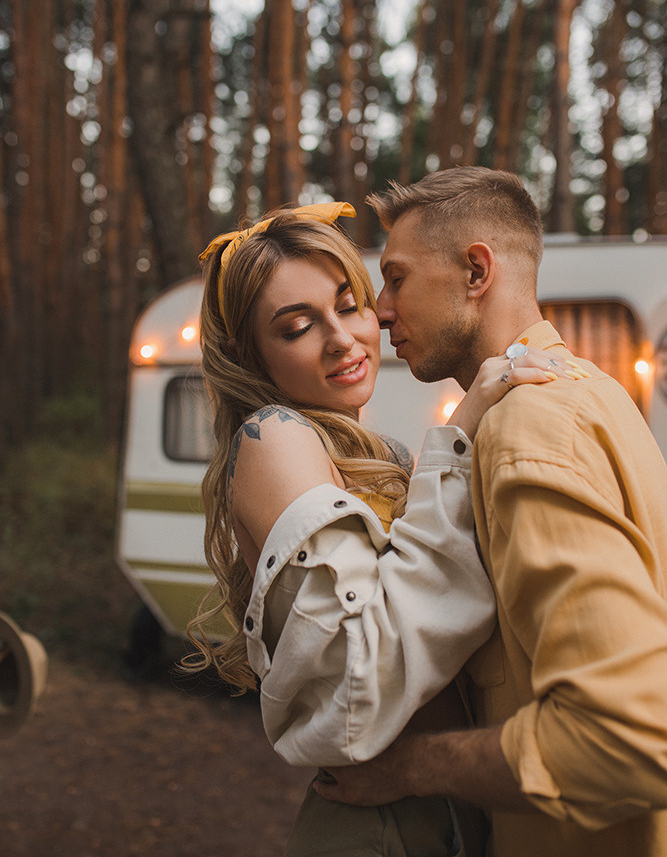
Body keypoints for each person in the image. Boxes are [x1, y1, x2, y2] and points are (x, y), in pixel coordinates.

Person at [185, 201, 570, 856]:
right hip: (379, 829)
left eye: (349, 303)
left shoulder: (380, 454)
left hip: (456, 812)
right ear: (249, 353)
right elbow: (357, 679)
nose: (342, 338)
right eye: (298, 326)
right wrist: (460, 428)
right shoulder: (274, 437)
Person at [314, 168, 667, 857]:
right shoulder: (592, 390)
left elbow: (629, 736)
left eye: (395, 278)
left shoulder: (525, 429)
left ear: (476, 270)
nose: (380, 311)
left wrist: (411, 768)